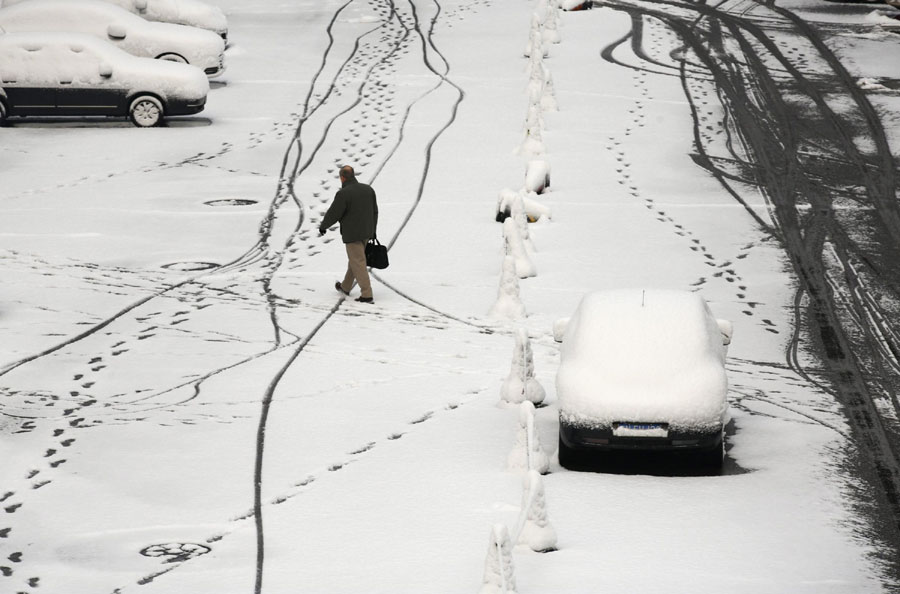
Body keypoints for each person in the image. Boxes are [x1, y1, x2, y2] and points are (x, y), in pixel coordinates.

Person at [318, 165, 379, 303]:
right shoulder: (368, 189)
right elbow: (375, 211)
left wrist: (324, 226)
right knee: (356, 260)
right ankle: (345, 287)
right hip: (367, 232)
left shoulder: (344, 193)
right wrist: (373, 230)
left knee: (358, 262)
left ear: (342, 177)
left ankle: (367, 294)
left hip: (353, 234)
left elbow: (334, 212)